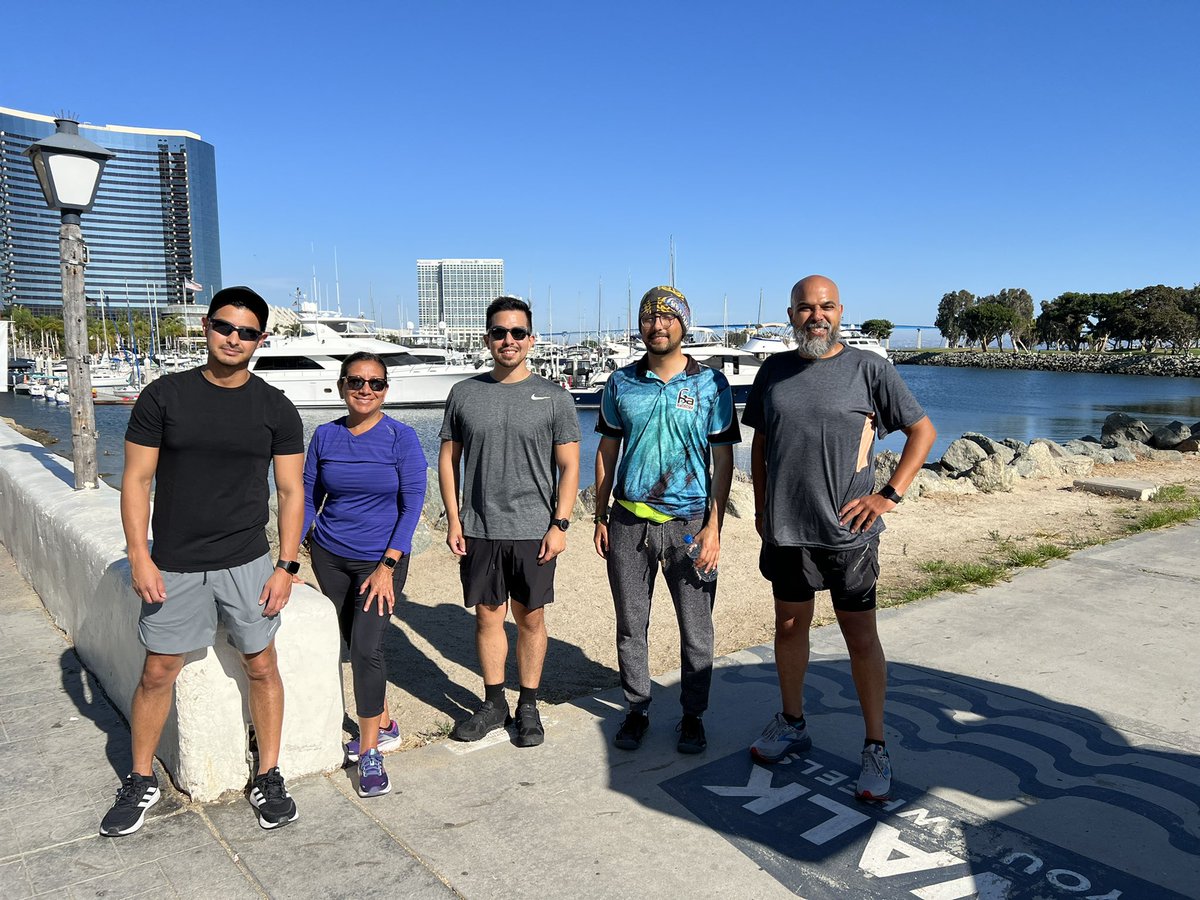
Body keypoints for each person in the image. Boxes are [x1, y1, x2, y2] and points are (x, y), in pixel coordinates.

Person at [102, 286, 304, 836]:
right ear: (206, 328)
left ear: (260, 340)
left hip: (248, 560)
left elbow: (290, 493)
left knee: (262, 665)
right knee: (158, 670)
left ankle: (268, 773)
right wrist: (139, 556)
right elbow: (137, 481)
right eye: (223, 326)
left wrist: (286, 567)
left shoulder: (275, 407)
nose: (232, 338)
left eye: (245, 331)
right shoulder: (164, 396)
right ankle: (140, 777)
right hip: (174, 561)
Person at [742, 274, 936, 801]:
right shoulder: (774, 371)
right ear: (791, 315)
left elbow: (923, 431)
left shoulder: (869, 368)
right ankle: (792, 721)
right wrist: (761, 507)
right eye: (805, 308)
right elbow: (760, 446)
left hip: (849, 533)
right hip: (787, 532)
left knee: (860, 637)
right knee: (788, 626)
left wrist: (888, 496)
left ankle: (875, 745)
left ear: (841, 311)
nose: (816, 316)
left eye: (826, 307)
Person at [593, 286, 740, 754]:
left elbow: (723, 461)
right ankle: (636, 709)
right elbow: (607, 450)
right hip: (628, 521)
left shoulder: (710, 385)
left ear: (684, 324)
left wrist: (715, 527)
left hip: (691, 523)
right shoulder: (619, 383)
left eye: (668, 317)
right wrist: (600, 514)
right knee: (631, 624)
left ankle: (693, 715)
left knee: (697, 628)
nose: (658, 325)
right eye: (649, 318)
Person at [438, 296, 581, 747]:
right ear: (487, 339)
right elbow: (448, 459)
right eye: (500, 332)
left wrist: (560, 525)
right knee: (487, 619)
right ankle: (494, 701)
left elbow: (570, 467)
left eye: (517, 332)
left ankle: (529, 704)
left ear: (531, 340)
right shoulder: (464, 393)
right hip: (480, 528)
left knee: (531, 619)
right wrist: (454, 519)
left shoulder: (555, 398)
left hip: (534, 530)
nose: (508, 340)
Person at [302, 351, 427, 797]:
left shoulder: (401, 438)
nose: (365, 390)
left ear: (386, 390)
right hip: (330, 556)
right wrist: (289, 559)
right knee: (353, 643)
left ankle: (371, 751)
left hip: (382, 561)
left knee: (367, 648)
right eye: (356, 381)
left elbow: (413, 506)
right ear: (340, 387)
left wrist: (388, 566)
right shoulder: (325, 435)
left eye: (375, 383)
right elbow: (307, 493)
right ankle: (387, 723)